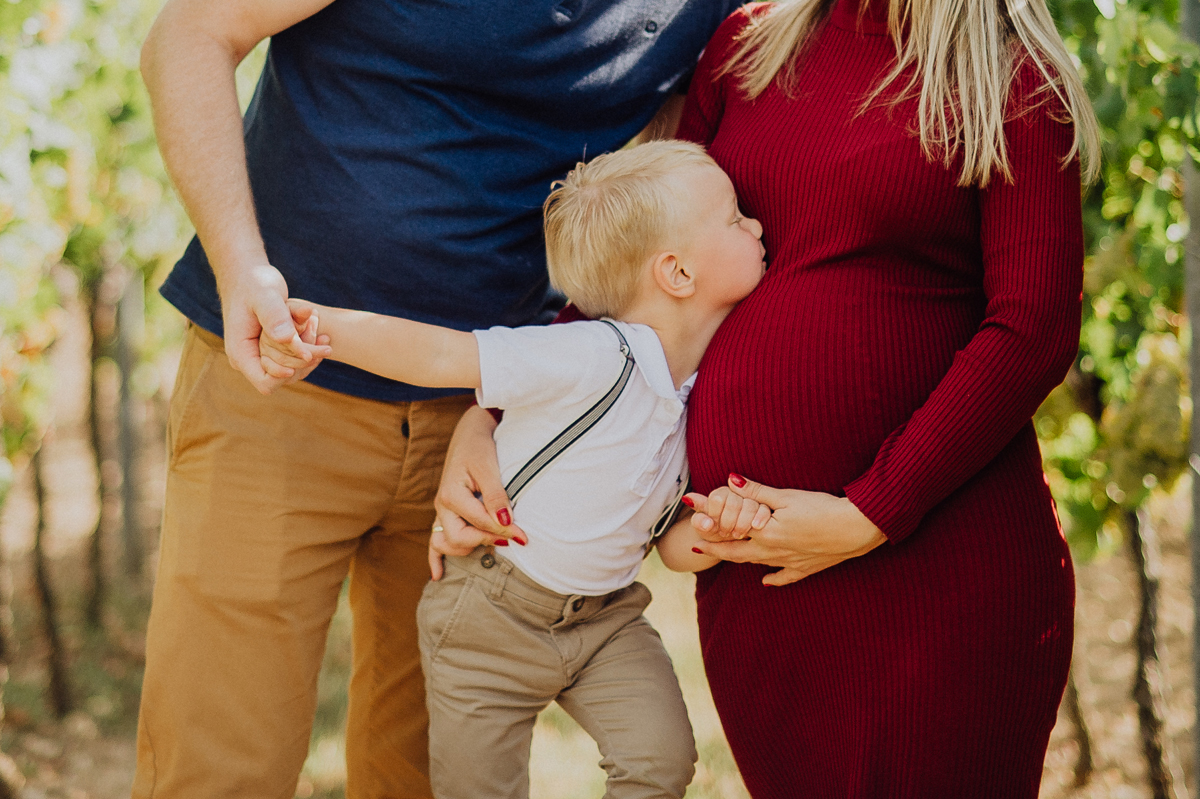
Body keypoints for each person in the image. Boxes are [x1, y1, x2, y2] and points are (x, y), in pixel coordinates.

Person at [435, 0, 1102, 795]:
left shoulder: (1013, 82)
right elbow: (643, 259)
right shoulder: (751, 44)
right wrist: (492, 416)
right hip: (767, 590)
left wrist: (870, 512)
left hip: (942, 578)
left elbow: (1032, 330)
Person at [133, 0, 742, 795]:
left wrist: (498, 407)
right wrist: (241, 264)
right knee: (215, 766)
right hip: (278, 387)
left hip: (488, 432)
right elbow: (188, 35)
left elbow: (657, 223)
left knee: (424, 774)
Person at [259, 140, 767, 798]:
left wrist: (720, 533)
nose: (755, 225)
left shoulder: (696, 387)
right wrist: (318, 326)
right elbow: (446, 356)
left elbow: (672, 549)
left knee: (661, 759)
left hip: (604, 619)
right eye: (735, 217)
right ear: (676, 273)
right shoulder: (591, 354)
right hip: (490, 619)